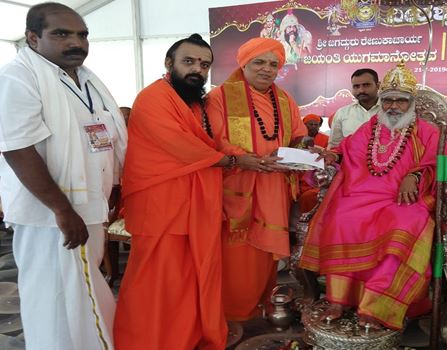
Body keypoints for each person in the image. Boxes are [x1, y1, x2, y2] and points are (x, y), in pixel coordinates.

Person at [114, 34, 258, 349]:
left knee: (189, 279)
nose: (197, 70)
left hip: (194, 205)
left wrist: (250, 157)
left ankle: (186, 336)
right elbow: (183, 147)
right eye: (189, 61)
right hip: (161, 207)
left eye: (204, 64)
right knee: (156, 282)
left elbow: (214, 141)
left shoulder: (195, 102)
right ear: (169, 63)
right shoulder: (153, 98)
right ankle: (146, 341)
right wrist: (235, 159)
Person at [0, 3, 127, 349]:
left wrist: (113, 185)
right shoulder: (18, 76)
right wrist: (62, 209)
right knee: (58, 298)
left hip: (89, 206)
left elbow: (101, 138)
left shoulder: (85, 79)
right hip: (52, 216)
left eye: (82, 34)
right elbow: (17, 148)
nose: (76, 42)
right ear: (32, 37)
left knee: (79, 292)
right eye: (61, 34)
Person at [299, 62, 447, 330]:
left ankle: (378, 306)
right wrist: (331, 155)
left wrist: (414, 176)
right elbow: (344, 149)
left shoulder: (428, 131)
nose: (393, 106)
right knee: (341, 218)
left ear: (411, 103)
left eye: (400, 101)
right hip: (360, 194)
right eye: (388, 100)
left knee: (404, 225)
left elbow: (441, 164)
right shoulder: (370, 128)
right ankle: (338, 300)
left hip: (405, 199)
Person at [206, 37, 307, 321]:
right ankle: (232, 312)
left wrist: (302, 150)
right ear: (244, 63)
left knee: (265, 254)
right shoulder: (220, 97)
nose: (267, 69)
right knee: (238, 251)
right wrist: (250, 159)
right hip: (238, 187)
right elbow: (216, 141)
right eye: (259, 62)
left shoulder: (284, 99)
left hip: (275, 185)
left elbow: (297, 135)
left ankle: (260, 305)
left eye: (273, 64)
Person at [328, 68, 381, 148]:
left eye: (366, 85)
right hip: (350, 160)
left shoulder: (391, 110)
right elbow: (335, 145)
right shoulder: (342, 113)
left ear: (378, 85)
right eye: (356, 86)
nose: (361, 90)